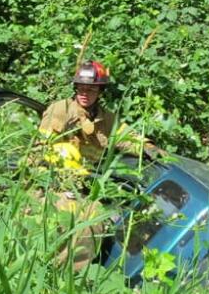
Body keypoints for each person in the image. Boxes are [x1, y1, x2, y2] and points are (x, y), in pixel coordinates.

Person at [33, 60, 155, 269]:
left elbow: (126, 136)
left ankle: (70, 276)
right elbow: (40, 148)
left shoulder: (106, 120)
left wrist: (148, 147)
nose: (84, 93)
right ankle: (49, 269)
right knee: (64, 221)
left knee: (95, 217)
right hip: (52, 182)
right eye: (80, 87)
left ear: (100, 92)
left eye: (90, 89)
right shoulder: (61, 109)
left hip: (81, 188)